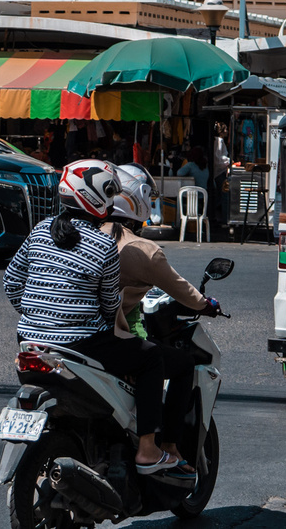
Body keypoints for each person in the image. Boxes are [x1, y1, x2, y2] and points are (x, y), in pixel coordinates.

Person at [3, 161, 188, 481]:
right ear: (97, 198)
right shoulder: (103, 244)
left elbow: (11, 283)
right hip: (81, 343)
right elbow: (108, 307)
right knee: (152, 358)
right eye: (111, 191)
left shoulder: (39, 230)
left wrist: (37, 314)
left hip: (30, 340)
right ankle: (147, 450)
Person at [106, 164, 219, 473]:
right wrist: (206, 304)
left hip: (40, 334)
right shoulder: (138, 249)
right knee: (170, 362)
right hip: (97, 338)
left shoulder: (62, 235)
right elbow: (180, 288)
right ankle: (158, 446)